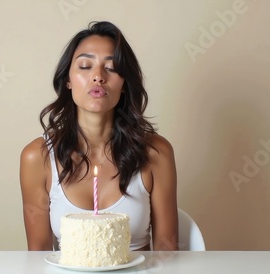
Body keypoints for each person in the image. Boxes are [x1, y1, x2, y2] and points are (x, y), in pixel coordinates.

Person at [20, 21, 178, 251]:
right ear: (67, 80)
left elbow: (168, 254)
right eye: (85, 66)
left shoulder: (156, 153)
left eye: (112, 68)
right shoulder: (37, 158)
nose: (98, 77)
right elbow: (38, 255)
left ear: (124, 83)